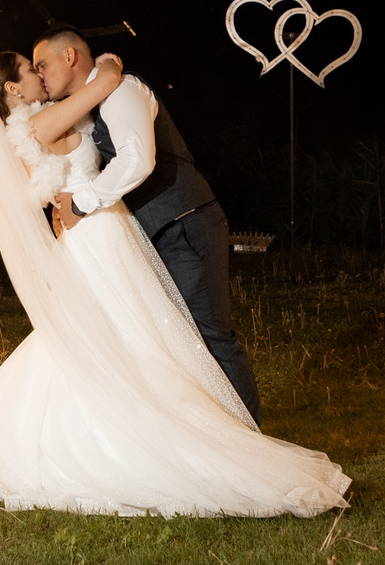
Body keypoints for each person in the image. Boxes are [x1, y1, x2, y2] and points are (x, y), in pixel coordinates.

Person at [0, 48, 349, 519]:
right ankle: (157, 436)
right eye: (32, 70)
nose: (39, 75)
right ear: (11, 88)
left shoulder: (41, 121)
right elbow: (100, 88)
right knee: (131, 333)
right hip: (96, 236)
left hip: (105, 230)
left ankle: (202, 424)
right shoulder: (36, 127)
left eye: (41, 65)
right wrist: (108, 71)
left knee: (132, 332)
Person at [32, 26, 262, 422]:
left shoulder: (123, 91)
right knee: (178, 340)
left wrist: (82, 203)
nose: (40, 76)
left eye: (43, 64)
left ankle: (249, 439)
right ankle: (213, 431)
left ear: (69, 56)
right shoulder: (98, 96)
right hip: (157, 231)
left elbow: (137, 158)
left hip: (184, 222)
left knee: (209, 335)